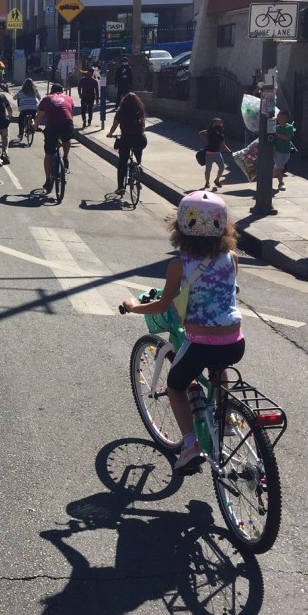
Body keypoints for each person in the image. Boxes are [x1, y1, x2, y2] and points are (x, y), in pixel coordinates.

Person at [121, 191, 243, 473]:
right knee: (219, 368)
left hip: (200, 341)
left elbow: (163, 304)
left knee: (176, 385)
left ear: (180, 228)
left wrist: (132, 306)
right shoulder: (232, 258)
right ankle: (226, 420)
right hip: (235, 339)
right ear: (223, 226)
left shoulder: (179, 265)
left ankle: (190, 445)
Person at [34, 83, 75, 193]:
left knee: (48, 154)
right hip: (67, 123)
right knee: (67, 139)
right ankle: (65, 157)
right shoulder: (69, 98)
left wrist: (35, 127)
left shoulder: (46, 99)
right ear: (62, 91)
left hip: (52, 126)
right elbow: (71, 114)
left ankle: (48, 180)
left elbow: (39, 116)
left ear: (51, 91)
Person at [106, 92, 147, 195]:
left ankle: (121, 187)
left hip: (126, 139)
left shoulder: (121, 112)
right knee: (138, 147)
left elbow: (115, 125)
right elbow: (143, 126)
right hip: (140, 139)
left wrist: (110, 133)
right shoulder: (140, 110)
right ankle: (139, 164)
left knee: (122, 162)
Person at [198, 118, 231, 190]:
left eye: (219, 123)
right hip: (209, 153)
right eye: (216, 123)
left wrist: (229, 151)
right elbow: (200, 133)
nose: (217, 125)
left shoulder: (221, 135)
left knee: (222, 167)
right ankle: (207, 183)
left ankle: (217, 180)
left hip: (217, 153)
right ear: (212, 124)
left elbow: (223, 145)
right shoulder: (209, 131)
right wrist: (206, 141)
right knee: (208, 169)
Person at [273, 110, 295, 191]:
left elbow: (288, 138)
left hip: (286, 151)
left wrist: (277, 134)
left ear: (285, 118)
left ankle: (267, 179)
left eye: (280, 116)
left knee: (277, 168)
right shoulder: (275, 128)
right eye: (278, 116)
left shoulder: (289, 127)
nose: (278, 117)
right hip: (277, 151)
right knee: (280, 168)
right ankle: (281, 183)